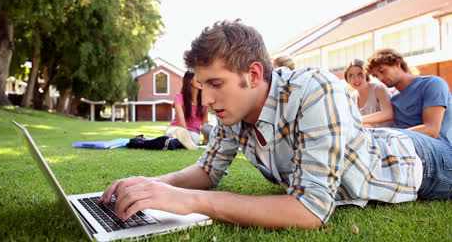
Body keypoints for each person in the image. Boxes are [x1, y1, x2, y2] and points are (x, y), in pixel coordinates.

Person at [101, 20, 451, 230]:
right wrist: (151, 186)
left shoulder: (314, 90)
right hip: (374, 146)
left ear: (253, 74)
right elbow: (207, 170)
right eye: (202, 85)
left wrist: (190, 201)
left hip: (419, 164)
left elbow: (311, 210)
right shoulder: (232, 109)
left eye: (216, 84)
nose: (206, 100)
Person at [365, 48, 452, 145]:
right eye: (376, 76)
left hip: (440, 148)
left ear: (398, 64)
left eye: (382, 71)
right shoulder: (394, 101)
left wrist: (388, 137)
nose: (380, 78)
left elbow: (431, 131)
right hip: (409, 151)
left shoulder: (432, 84)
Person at [127, 71, 209, 151]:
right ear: (190, 80)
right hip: (176, 129)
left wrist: (207, 139)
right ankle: (178, 141)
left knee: (194, 138)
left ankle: (148, 140)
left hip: (193, 133)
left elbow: (205, 123)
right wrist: (185, 135)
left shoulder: (205, 101)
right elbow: (181, 119)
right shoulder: (179, 97)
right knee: (182, 134)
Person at [344, 58, 394, 128]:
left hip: (389, 134)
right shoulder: (352, 98)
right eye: (351, 76)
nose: (356, 79)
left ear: (366, 75)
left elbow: (388, 113)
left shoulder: (379, 89)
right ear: (347, 79)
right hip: (369, 136)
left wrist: (359, 119)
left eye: (360, 74)